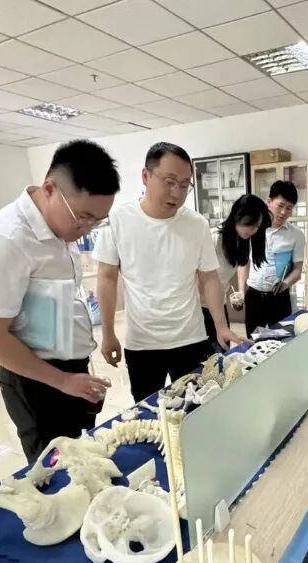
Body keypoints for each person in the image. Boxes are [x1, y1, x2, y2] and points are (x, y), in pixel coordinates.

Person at [0, 139, 119, 464]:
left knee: (82, 460)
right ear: (50, 189)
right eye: (83, 217)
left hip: (69, 371)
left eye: (98, 220)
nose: (87, 228)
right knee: (55, 472)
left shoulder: (60, 229)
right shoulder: (5, 240)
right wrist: (62, 380)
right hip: (37, 381)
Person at [95, 142, 241, 404]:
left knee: (195, 407)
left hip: (191, 337)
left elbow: (209, 278)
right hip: (142, 343)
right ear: (145, 176)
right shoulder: (117, 220)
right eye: (170, 182)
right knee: (147, 411)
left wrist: (221, 326)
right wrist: (108, 333)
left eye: (185, 185)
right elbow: (106, 278)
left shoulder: (196, 225)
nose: (177, 193)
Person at [199, 194, 271, 349]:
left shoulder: (242, 240)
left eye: (257, 226)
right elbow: (200, 279)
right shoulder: (213, 239)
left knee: (222, 349)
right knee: (208, 352)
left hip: (219, 305)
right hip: (199, 307)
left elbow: (243, 264)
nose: (253, 230)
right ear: (237, 216)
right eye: (251, 224)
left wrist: (241, 290)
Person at [242, 181, 305, 336]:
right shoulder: (253, 228)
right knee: (254, 341)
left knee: (281, 341)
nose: (283, 212)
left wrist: (285, 283)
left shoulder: (296, 234)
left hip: (279, 297)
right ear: (269, 202)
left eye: (289, 208)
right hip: (254, 296)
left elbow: (297, 270)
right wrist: (241, 291)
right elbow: (243, 262)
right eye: (280, 205)